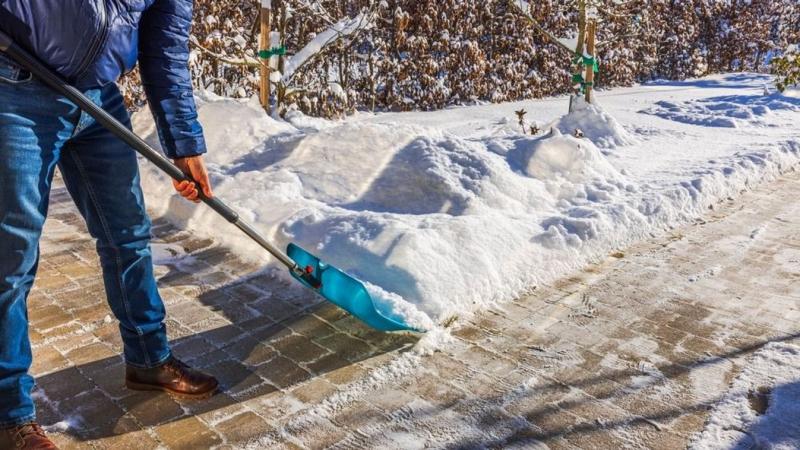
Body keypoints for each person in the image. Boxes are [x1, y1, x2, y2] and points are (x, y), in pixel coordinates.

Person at [1, 1, 219, 448]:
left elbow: (164, 51)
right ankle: (9, 415)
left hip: (97, 98)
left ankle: (148, 358)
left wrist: (184, 145)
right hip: (16, 89)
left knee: (129, 236)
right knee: (11, 261)